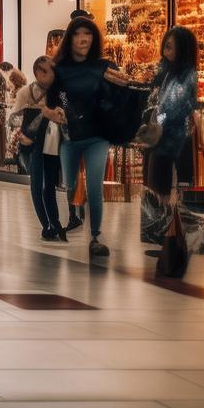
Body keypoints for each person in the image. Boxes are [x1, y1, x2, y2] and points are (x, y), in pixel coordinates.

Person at [42, 16, 131, 257]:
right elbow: (47, 103)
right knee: (70, 187)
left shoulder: (105, 66)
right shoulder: (58, 70)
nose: (83, 39)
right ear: (69, 38)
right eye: (78, 34)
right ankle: (75, 211)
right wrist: (53, 113)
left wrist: (120, 87)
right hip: (70, 138)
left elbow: (120, 98)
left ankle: (96, 237)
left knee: (94, 187)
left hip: (97, 136)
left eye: (88, 34)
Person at [9, 56, 65, 241]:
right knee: (37, 183)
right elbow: (14, 118)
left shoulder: (58, 92)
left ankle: (54, 222)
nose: (54, 74)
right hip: (32, 144)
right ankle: (47, 224)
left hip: (52, 143)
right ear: (39, 72)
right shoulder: (26, 92)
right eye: (50, 70)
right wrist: (20, 135)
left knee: (49, 184)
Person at [143, 26, 199, 198]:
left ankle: (167, 222)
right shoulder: (169, 70)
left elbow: (173, 106)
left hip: (174, 139)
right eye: (165, 46)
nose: (165, 52)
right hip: (165, 137)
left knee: (162, 189)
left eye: (169, 47)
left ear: (182, 50)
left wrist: (157, 119)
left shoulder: (186, 74)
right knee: (157, 187)